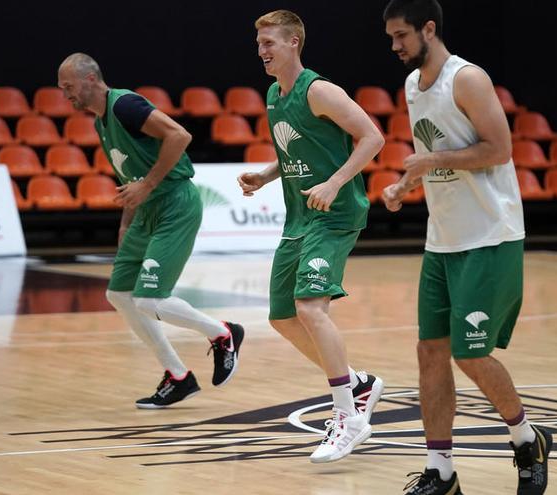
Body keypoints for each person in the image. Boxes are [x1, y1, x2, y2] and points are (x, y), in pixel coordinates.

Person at [382, 1, 553, 493]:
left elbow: (499, 150)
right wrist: (405, 184)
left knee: (470, 353)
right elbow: (438, 161)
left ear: (428, 29)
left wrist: (427, 161)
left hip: (489, 235)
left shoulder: (468, 79)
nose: (394, 46)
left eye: (401, 36)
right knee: (429, 352)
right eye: (390, 37)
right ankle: (441, 471)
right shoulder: (413, 86)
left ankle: (527, 439)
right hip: (443, 239)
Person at [237, 10, 386, 463]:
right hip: (299, 217)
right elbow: (295, 151)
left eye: (270, 43)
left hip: (334, 214)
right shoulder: (273, 94)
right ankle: (358, 385)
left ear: (294, 42)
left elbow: (372, 138)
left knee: (310, 307)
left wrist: (335, 182)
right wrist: (266, 175)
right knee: (282, 317)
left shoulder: (319, 90)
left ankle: (349, 417)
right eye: (259, 43)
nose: (262, 51)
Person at [57, 53, 244, 409]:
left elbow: (179, 135)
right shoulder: (100, 122)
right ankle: (177, 376)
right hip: (145, 211)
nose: (65, 94)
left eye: (69, 86)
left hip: (175, 203)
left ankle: (223, 333)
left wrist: (148, 185)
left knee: (149, 299)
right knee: (120, 295)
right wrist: (126, 222)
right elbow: (130, 179)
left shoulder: (125, 105)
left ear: (91, 79)